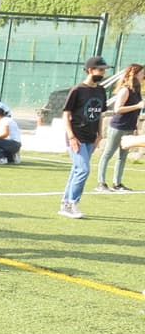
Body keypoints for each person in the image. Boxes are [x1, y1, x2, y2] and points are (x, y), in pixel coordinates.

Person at [58, 56, 110, 218]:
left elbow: (100, 114)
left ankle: (65, 204)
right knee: (83, 170)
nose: (103, 73)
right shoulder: (77, 90)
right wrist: (71, 137)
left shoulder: (101, 90)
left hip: (91, 137)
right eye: (100, 69)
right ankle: (73, 203)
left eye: (104, 70)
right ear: (89, 70)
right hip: (77, 137)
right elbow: (66, 115)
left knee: (76, 170)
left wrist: (100, 134)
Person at [95, 62, 141, 192]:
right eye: (142, 73)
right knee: (108, 153)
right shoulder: (125, 90)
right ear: (135, 74)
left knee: (123, 156)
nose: (143, 75)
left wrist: (135, 127)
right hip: (118, 127)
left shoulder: (136, 91)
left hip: (129, 127)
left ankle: (117, 183)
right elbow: (117, 109)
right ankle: (101, 182)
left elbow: (136, 111)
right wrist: (137, 106)